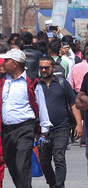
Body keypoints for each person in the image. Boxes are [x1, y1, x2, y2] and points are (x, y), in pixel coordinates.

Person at [0, 49, 52, 188]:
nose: (3, 63)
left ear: (15, 64)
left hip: (25, 129)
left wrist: (44, 130)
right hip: (6, 130)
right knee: (12, 165)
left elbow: (41, 105)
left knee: (22, 165)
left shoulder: (31, 82)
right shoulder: (2, 80)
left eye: (6, 61)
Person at [37, 55, 82, 188]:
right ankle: (52, 183)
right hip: (43, 131)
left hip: (61, 128)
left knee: (59, 158)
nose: (43, 70)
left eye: (46, 67)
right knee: (44, 161)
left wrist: (79, 124)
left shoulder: (62, 83)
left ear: (53, 67)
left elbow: (73, 104)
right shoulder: (36, 85)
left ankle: (59, 185)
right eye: (41, 68)